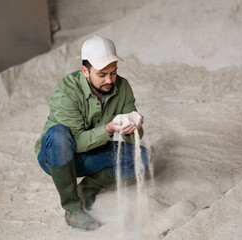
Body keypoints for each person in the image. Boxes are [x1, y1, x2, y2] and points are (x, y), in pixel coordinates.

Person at [34, 35, 150, 231]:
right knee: (59, 134)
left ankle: (86, 189)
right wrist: (109, 129)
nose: (109, 80)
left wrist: (134, 125)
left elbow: (133, 140)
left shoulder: (122, 87)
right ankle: (72, 208)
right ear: (85, 71)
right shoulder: (66, 92)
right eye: (102, 74)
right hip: (57, 157)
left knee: (143, 158)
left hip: (93, 153)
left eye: (113, 73)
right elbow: (75, 142)